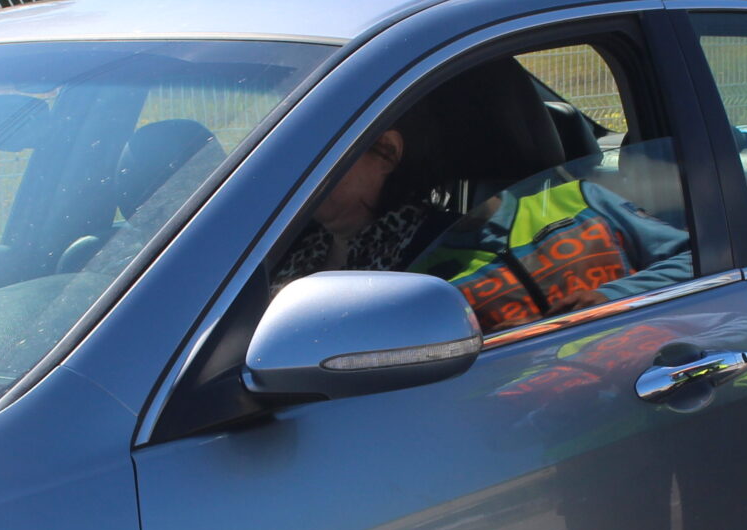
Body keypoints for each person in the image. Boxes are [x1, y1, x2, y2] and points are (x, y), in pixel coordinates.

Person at [273, 56, 692, 329]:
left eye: (328, 157)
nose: (307, 173)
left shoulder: (583, 202)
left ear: (388, 150)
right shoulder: (286, 245)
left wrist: (607, 299)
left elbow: (704, 262)